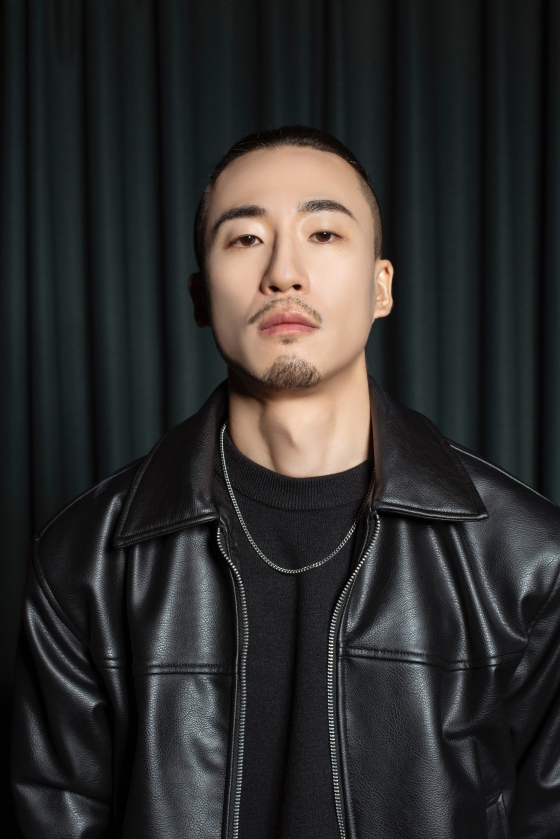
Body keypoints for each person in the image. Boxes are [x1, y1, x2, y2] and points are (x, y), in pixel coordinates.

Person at [11, 125, 560, 839]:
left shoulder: (528, 557)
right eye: (245, 239)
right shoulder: (85, 558)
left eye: (324, 234)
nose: (284, 273)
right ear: (200, 295)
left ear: (381, 286)